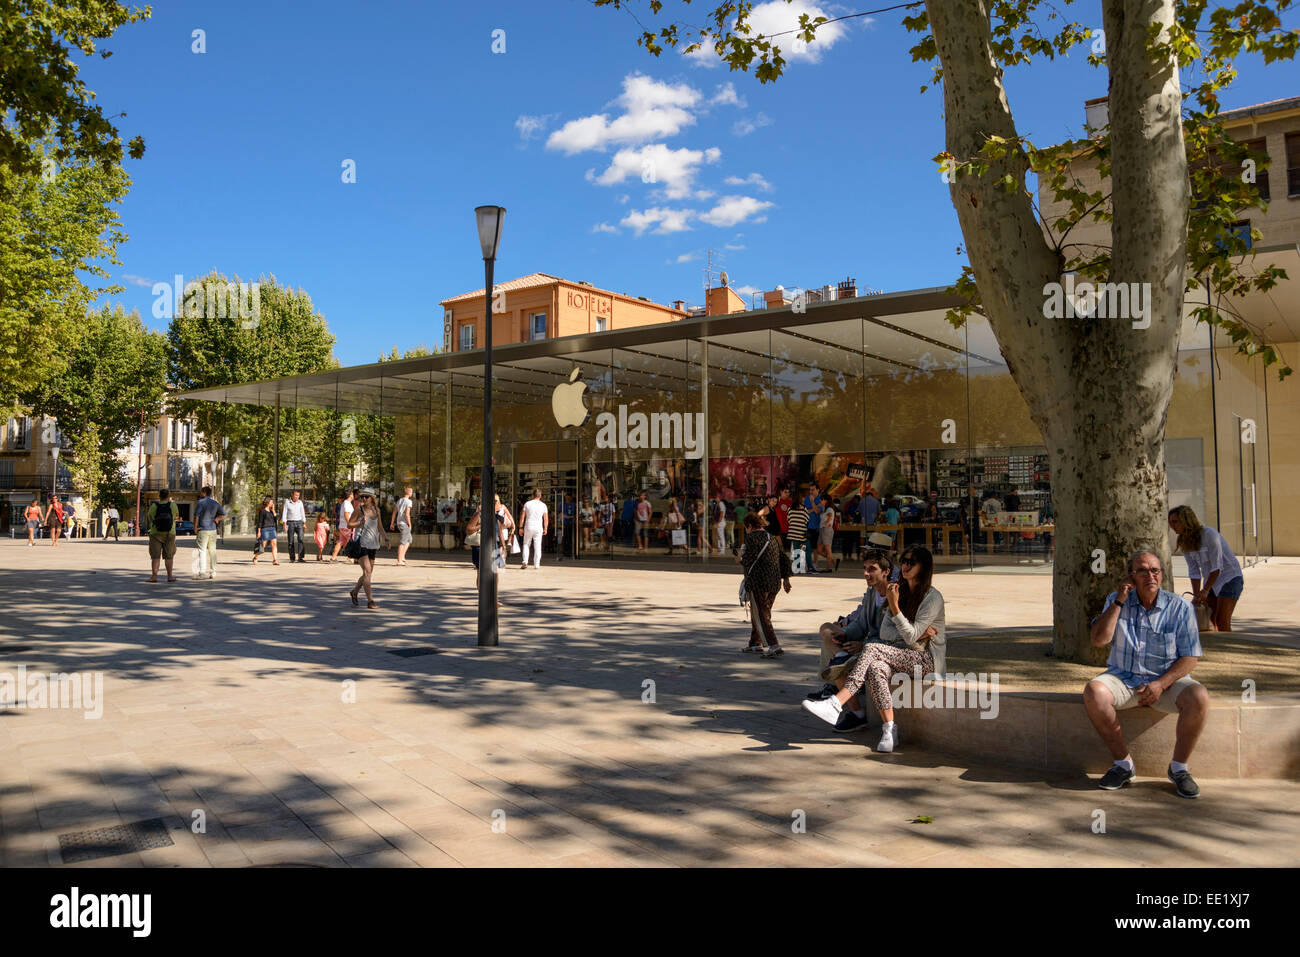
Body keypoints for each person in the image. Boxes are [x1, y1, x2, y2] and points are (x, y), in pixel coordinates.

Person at [1083, 549, 1208, 799]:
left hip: (1167, 681)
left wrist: (1161, 684)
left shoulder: (1180, 607)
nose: (1149, 575)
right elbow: (1098, 640)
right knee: (1094, 692)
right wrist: (1119, 599)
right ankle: (1123, 765)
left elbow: (1190, 657)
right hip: (1125, 678)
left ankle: (1179, 768)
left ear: (1162, 575)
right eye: (1142, 570)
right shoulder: (1115, 600)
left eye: (1155, 570)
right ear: (1131, 576)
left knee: (1199, 696)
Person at [801, 545, 946, 753]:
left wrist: (896, 610)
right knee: (875, 667)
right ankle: (889, 730)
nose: (905, 566)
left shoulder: (932, 597)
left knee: (872, 649)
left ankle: (836, 703)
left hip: (926, 660)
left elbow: (910, 637)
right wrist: (909, 630)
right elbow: (890, 633)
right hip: (897, 655)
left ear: (924, 567)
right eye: (904, 560)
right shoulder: (897, 591)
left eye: (911, 562)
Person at [1168, 505, 1243, 632]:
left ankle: (1230, 648)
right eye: (1170, 522)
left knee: (1222, 621)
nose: (1172, 525)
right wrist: (1197, 594)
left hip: (1230, 579)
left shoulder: (1209, 534)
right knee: (1207, 620)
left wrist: (1205, 590)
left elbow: (1217, 566)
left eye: (1175, 521)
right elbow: (1194, 571)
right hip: (1211, 582)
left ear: (1186, 520)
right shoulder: (1183, 541)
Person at [737, 512, 793, 658]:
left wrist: (740, 559)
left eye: (746, 527)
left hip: (758, 582)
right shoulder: (772, 538)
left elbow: (747, 560)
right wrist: (786, 579)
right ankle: (755, 643)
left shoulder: (751, 538)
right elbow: (784, 559)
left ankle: (774, 645)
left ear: (749, 526)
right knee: (762, 612)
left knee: (762, 614)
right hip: (774, 582)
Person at [346, 488, 391, 609]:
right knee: (367, 571)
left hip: (373, 544)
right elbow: (349, 524)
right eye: (362, 497)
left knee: (368, 573)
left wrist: (386, 539)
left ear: (372, 498)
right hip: (361, 544)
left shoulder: (377, 510)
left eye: (366, 497)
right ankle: (370, 601)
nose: (363, 499)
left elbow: (380, 527)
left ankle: (354, 592)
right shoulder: (359, 510)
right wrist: (360, 522)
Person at [146, 489, 181, 583]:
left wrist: (154, 523)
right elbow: (176, 516)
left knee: (155, 556)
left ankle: (154, 577)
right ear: (168, 496)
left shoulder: (154, 505)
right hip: (170, 533)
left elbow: (149, 517)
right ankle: (170, 576)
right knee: (169, 556)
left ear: (159, 496)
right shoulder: (173, 505)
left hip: (155, 533)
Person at [192, 485, 223, 579]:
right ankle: (213, 572)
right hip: (213, 530)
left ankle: (202, 573)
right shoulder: (215, 503)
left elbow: (196, 516)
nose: (200, 494)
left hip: (203, 529)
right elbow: (223, 514)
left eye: (201, 492)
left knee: (202, 551)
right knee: (213, 551)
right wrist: (217, 519)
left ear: (204, 493)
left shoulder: (200, 502)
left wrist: (195, 528)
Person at [520, 489, 549, 569]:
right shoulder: (543, 505)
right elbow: (546, 519)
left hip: (528, 526)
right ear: (540, 496)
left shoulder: (527, 504)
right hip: (538, 527)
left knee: (526, 544)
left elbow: (522, 517)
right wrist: (545, 528)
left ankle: (525, 561)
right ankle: (537, 564)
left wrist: (520, 527)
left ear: (532, 495)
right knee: (537, 545)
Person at [391, 485, 414, 566]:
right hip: (404, 523)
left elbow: (394, 512)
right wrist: (410, 524)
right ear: (410, 493)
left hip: (399, 522)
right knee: (403, 541)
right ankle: (399, 560)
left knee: (409, 539)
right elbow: (407, 514)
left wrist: (392, 523)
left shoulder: (400, 500)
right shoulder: (409, 501)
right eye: (412, 492)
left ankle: (402, 556)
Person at [786, 498, 811, 573]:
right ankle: (809, 566)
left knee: (796, 550)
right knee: (807, 550)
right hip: (802, 533)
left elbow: (789, 520)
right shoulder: (804, 509)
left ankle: (797, 568)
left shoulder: (790, 509)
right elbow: (807, 519)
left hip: (793, 533)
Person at [252, 497, 280, 565]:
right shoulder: (262, 511)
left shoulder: (271, 511)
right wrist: (259, 531)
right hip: (265, 529)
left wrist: (273, 511)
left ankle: (275, 560)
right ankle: (255, 557)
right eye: (271, 502)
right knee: (263, 545)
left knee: (274, 544)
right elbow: (260, 522)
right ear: (268, 503)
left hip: (272, 529)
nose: (273, 504)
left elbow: (276, 519)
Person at [329, 490, 355, 563]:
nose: (353, 495)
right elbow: (346, 514)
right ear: (350, 495)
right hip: (347, 526)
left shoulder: (345, 503)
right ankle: (351, 557)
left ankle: (333, 557)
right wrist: (350, 524)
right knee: (351, 542)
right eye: (352, 494)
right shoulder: (347, 504)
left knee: (340, 542)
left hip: (343, 526)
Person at [281, 489, 307, 562]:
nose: (297, 497)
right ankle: (292, 558)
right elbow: (284, 513)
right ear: (292, 495)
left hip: (299, 522)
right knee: (290, 541)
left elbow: (302, 513)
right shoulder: (287, 502)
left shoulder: (300, 502)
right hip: (290, 523)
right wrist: (284, 524)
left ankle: (300, 557)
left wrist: (304, 523)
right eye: (295, 495)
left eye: (298, 495)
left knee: (301, 539)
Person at [814, 494, 838, 573]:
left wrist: (828, 522)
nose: (821, 501)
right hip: (822, 529)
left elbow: (830, 515)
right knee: (819, 550)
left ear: (826, 500)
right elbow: (817, 511)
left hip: (827, 530)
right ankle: (833, 561)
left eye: (822, 500)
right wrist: (817, 504)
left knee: (828, 549)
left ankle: (828, 568)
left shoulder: (829, 509)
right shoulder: (825, 509)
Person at [556, 492, 576, 561]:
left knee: (571, 538)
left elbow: (575, 514)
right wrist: (564, 516)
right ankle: (564, 552)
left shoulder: (573, 504)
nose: (568, 498)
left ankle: (570, 551)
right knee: (564, 538)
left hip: (571, 524)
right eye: (567, 497)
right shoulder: (562, 504)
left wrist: (572, 517)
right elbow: (558, 514)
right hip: (564, 524)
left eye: (569, 497)